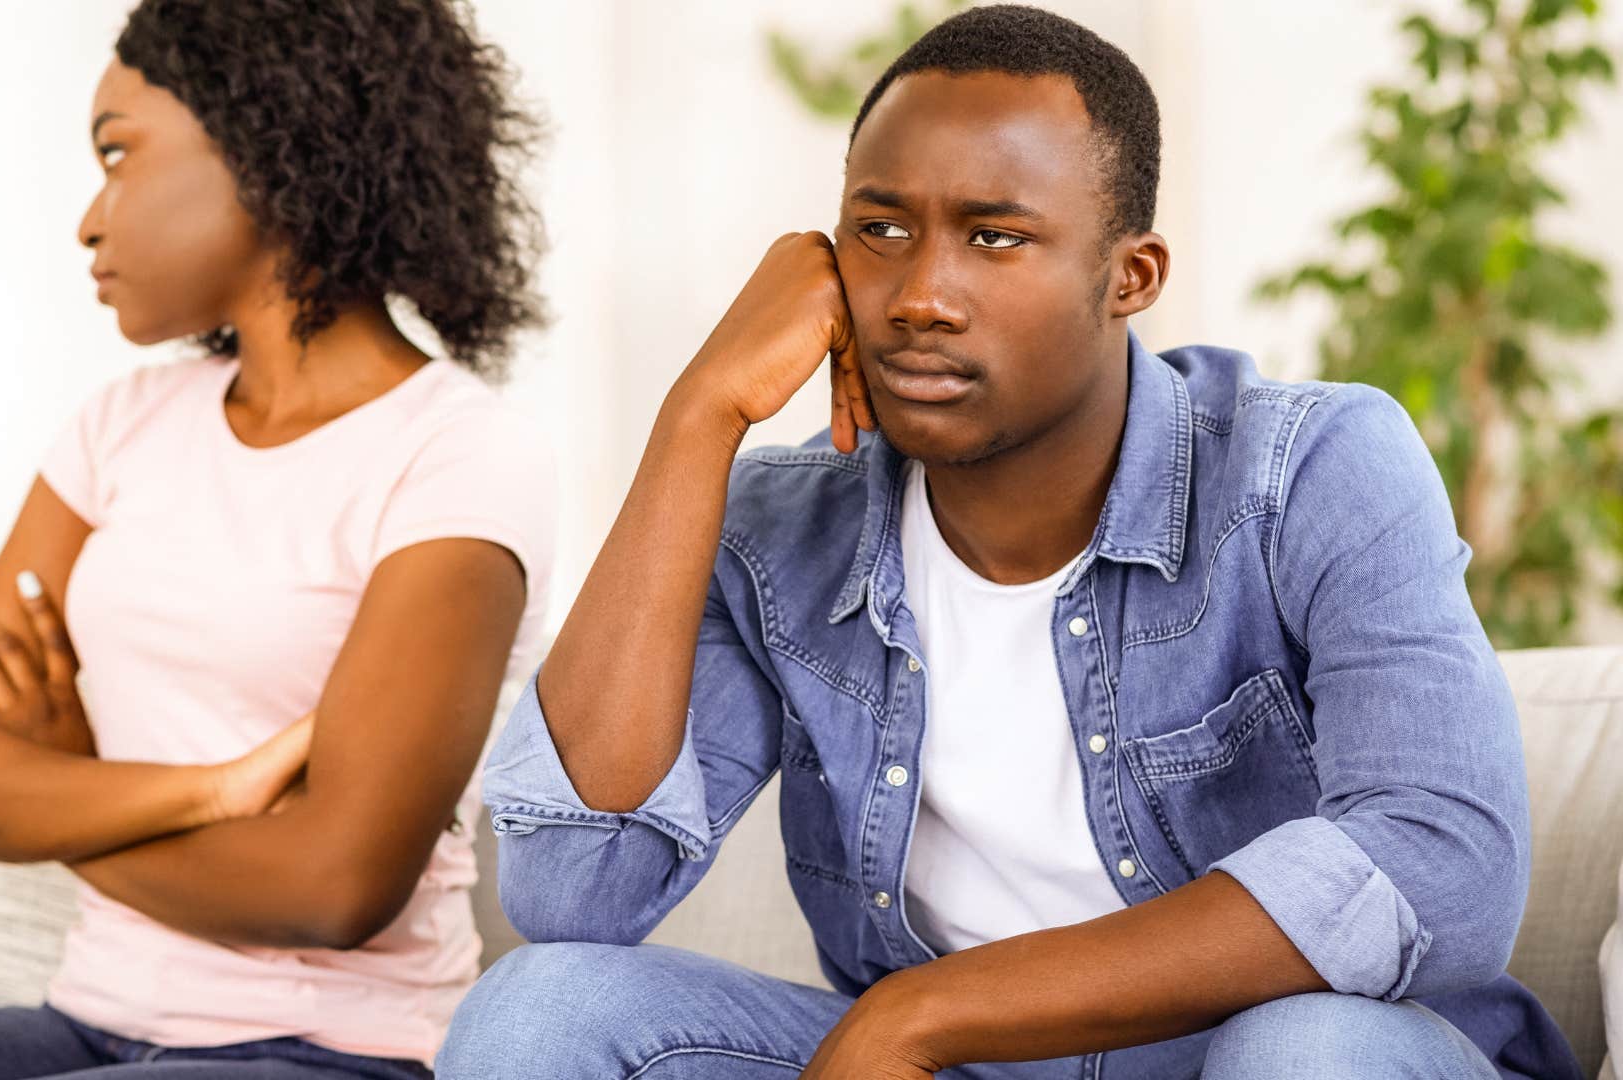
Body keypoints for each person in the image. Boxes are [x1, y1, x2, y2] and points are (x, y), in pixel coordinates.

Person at [437, 5, 1578, 1078]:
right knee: (542, 1010)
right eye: (882, 231)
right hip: (940, 1064)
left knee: (1305, 1053)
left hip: (1252, 1055)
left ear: (1130, 277)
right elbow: (575, 893)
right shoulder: (785, 529)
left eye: (995, 237)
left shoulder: (1309, 470)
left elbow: (1440, 862)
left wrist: (927, 1010)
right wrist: (699, 417)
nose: (920, 295)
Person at [0, 0, 551, 1077]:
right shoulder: (122, 426)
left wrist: (52, 787)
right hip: (85, 1024)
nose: (89, 222)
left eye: (118, 155)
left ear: (270, 144)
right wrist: (216, 789)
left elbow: (336, 886)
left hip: (330, 1052)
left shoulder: (456, 453)